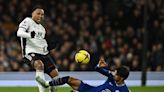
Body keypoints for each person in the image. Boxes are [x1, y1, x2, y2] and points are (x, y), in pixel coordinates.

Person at [17, 6, 59, 92]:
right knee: (39, 65)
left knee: (56, 76)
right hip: (30, 52)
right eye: (38, 13)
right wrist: (29, 35)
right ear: (33, 14)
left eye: (42, 14)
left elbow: (43, 43)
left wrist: (49, 47)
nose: (40, 16)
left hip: (43, 53)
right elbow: (19, 33)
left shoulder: (42, 29)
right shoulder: (27, 21)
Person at [36, 57, 130, 92]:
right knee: (69, 79)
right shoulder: (111, 77)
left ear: (121, 78)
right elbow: (97, 69)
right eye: (114, 72)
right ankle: (47, 84)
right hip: (90, 89)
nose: (113, 74)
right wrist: (99, 66)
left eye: (116, 74)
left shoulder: (124, 90)